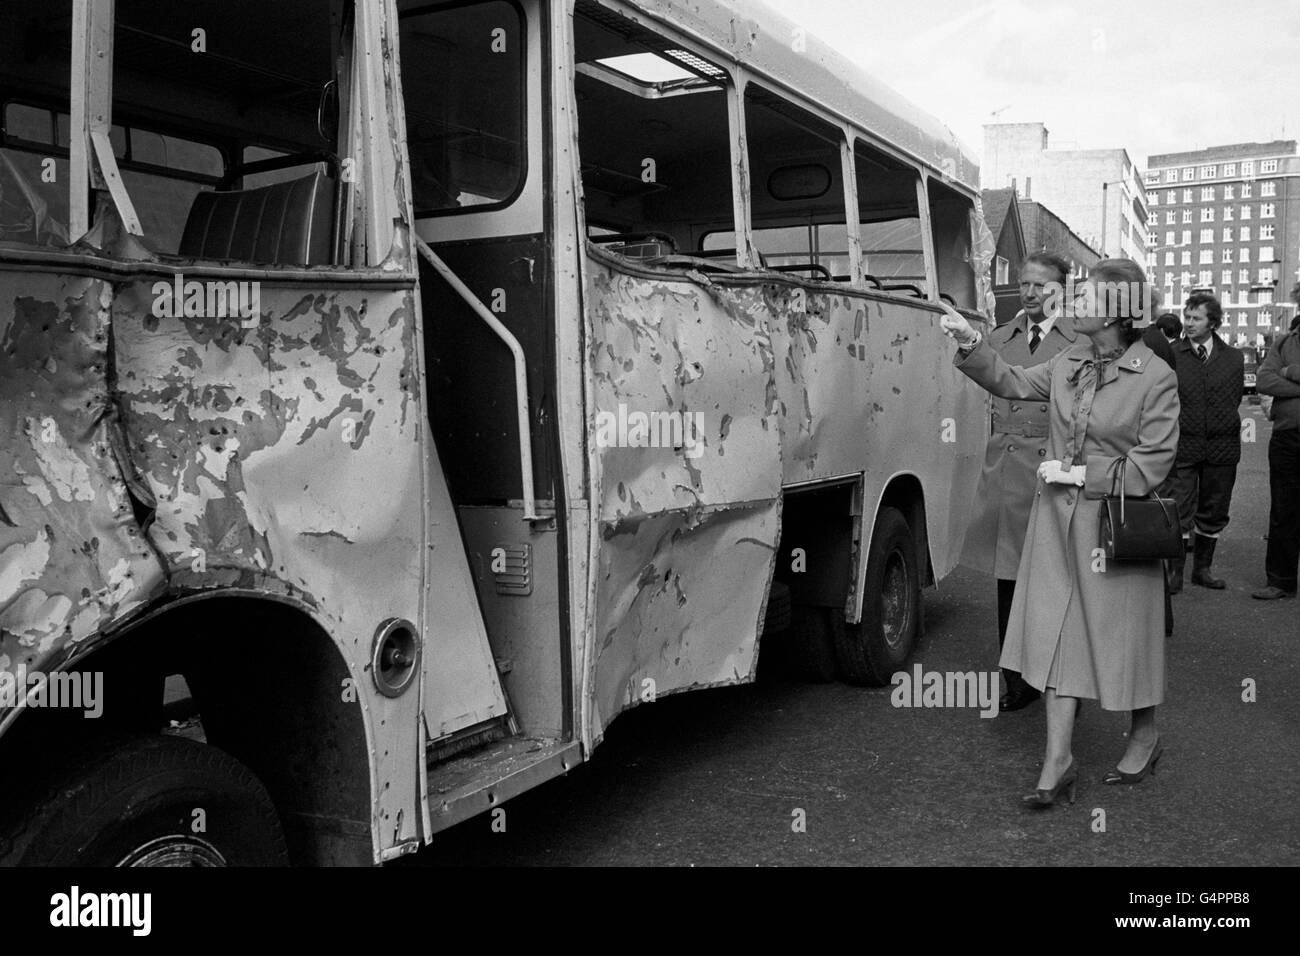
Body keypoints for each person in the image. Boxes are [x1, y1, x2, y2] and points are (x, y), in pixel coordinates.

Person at [940, 259, 1179, 807]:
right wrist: (972, 341)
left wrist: (1081, 473)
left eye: (1089, 297)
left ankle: (1144, 733)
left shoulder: (1155, 375)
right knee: (1055, 631)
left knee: (1123, 638)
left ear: (1120, 311)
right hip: (1056, 524)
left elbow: (1154, 461)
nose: (1075, 303)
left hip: (1114, 525)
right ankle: (1059, 758)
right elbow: (1014, 380)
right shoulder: (1069, 357)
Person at [961, 252, 1076, 712]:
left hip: (1054, 466)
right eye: (1025, 284)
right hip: (1008, 466)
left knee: (1053, 575)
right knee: (1008, 576)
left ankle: (1053, 667)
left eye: (1042, 286)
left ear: (1061, 291)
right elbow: (991, 390)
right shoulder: (1000, 337)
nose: (1030, 293)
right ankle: (1014, 676)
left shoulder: (1077, 340)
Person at [1167, 293, 1243, 591]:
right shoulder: (1173, 354)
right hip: (1183, 443)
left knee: (1214, 508)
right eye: (1187, 316)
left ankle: (1203, 569)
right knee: (1179, 506)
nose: (1188, 322)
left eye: (1196, 318)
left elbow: (1234, 397)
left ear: (1212, 322)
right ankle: (1175, 572)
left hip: (1222, 447)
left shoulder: (1233, 357)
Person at [1252, 318, 1300, 600]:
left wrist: (1291, 371)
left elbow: (1277, 377)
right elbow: (1264, 380)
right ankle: (1280, 581)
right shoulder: (1284, 341)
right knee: (1283, 511)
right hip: (1287, 437)